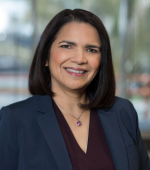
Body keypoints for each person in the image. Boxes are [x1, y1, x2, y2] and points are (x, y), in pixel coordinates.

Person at [0, 8, 149, 170]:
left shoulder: (123, 111)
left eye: (91, 50)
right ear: (45, 57)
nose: (79, 59)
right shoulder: (14, 119)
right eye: (67, 46)